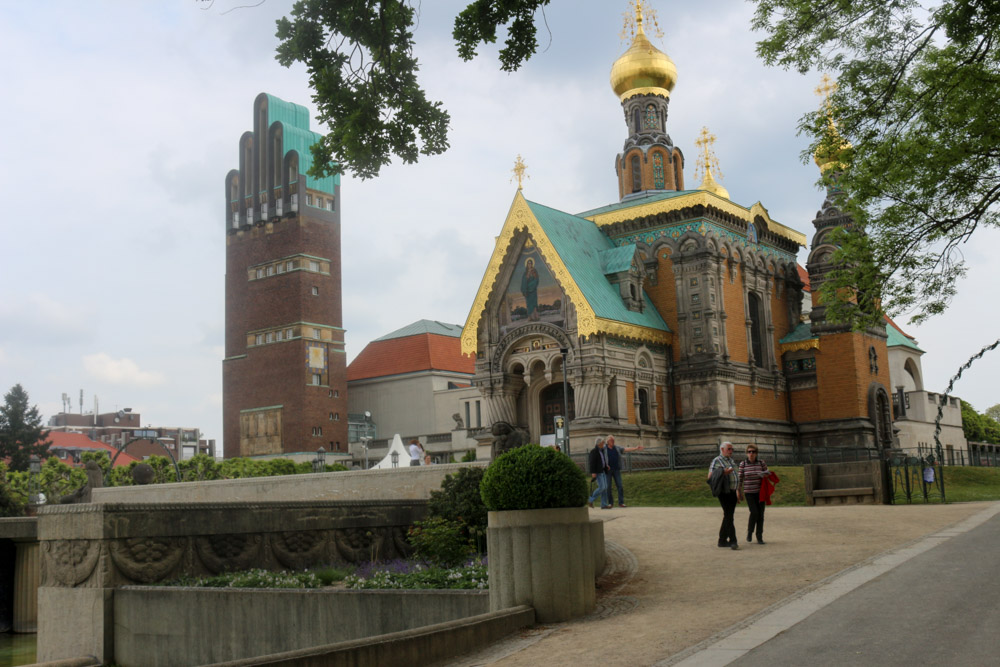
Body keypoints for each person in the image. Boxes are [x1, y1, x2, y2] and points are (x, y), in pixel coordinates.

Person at [708, 442, 740, 550]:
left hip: (733, 491)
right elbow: (710, 477)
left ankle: (722, 540)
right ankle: (733, 540)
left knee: (728, 516)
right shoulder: (717, 460)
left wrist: (738, 491)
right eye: (729, 449)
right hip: (724, 492)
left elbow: (736, 476)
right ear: (722, 449)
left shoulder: (731, 460)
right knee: (729, 516)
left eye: (732, 449)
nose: (731, 451)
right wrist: (723, 472)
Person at [738, 444, 770, 544]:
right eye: (749, 452)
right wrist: (738, 491)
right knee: (754, 512)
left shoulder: (761, 463)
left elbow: (768, 474)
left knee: (761, 514)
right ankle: (750, 532)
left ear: (756, 453)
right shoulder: (743, 464)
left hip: (760, 492)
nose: (751, 454)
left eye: (753, 452)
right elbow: (740, 479)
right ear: (746, 453)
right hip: (749, 492)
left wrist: (764, 474)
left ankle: (759, 536)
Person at [603, 435, 644, 508]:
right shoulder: (604, 449)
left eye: (613, 440)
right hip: (608, 471)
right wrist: (604, 466)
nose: (613, 442)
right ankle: (610, 503)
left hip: (616, 469)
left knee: (620, 486)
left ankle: (621, 502)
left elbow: (626, 449)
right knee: (608, 487)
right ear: (608, 441)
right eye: (611, 440)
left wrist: (636, 448)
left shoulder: (617, 448)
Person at [587, 436, 612, 509]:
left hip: (603, 471)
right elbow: (592, 463)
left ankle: (604, 504)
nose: (604, 443)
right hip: (598, 472)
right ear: (599, 443)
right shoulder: (594, 451)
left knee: (605, 488)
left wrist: (606, 466)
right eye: (603, 442)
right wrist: (593, 472)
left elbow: (602, 461)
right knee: (602, 487)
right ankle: (590, 500)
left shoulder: (601, 451)